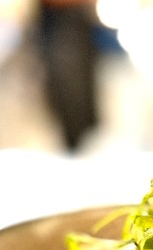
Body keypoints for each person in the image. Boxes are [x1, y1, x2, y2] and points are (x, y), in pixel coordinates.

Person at [34, 0, 99, 152]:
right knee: (66, 91)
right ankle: (74, 146)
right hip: (56, 22)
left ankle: (77, 145)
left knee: (74, 90)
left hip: (72, 23)